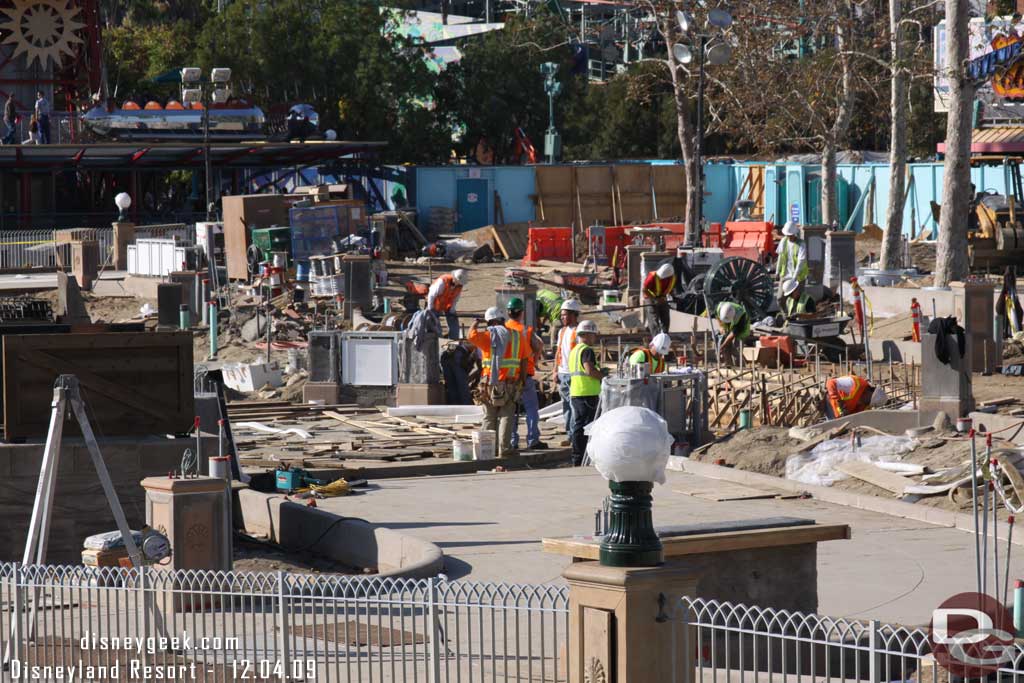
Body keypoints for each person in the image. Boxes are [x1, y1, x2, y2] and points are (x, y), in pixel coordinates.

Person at [468, 307, 527, 457]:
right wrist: (522, 380)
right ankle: (504, 450)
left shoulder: (489, 336)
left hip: (490, 383)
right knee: (506, 415)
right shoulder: (518, 336)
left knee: (489, 416)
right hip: (511, 383)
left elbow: (471, 336)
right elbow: (525, 359)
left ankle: (488, 450)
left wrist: (476, 323)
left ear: (492, 322)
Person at [505, 297, 546, 450]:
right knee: (531, 409)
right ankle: (533, 439)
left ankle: (512, 441)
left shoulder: (504, 328)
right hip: (526, 376)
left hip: (508, 377)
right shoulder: (525, 330)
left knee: (510, 410)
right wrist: (533, 361)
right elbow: (539, 345)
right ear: (521, 312)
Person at [569, 319, 603, 466]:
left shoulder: (575, 350)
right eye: (593, 335)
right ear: (588, 334)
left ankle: (577, 456)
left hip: (577, 392)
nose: (594, 338)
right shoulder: (587, 350)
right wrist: (604, 376)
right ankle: (582, 457)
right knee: (586, 427)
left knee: (578, 425)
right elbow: (589, 370)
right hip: (587, 393)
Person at [553, 299, 581, 436]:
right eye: (562, 315)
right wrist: (555, 371)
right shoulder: (562, 331)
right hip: (562, 373)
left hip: (574, 374)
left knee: (574, 406)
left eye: (566, 315)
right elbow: (558, 352)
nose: (563, 317)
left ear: (574, 314)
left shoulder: (579, 332)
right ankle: (569, 434)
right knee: (566, 406)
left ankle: (574, 435)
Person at [427, 269, 467, 339]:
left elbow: (455, 299)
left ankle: (453, 339)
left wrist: (452, 310)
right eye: (459, 282)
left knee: (453, 319)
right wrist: (430, 309)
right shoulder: (442, 281)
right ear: (454, 278)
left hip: (448, 305)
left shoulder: (459, 286)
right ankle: (439, 339)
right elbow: (431, 295)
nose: (460, 284)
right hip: (435, 304)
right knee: (435, 324)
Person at [440, 340, 480, 405]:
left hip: (448, 362)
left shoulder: (457, 347)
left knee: (453, 385)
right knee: (461, 385)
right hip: (451, 362)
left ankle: (456, 403)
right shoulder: (465, 350)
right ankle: (465, 403)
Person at [776, 221, 808, 299]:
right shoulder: (784, 241)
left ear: (794, 234)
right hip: (785, 274)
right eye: (787, 235)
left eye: (790, 235)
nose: (789, 237)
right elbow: (780, 257)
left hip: (798, 277)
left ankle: (797, 311)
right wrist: (777, 271)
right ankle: (785, 311)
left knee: (798, 299)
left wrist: (794, 277)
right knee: (780, 298)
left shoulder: (801, 244)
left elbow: (801, 262)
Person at [643, 262, 676, 334]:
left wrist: (673, 297)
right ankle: (656, 338)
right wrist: (655, 299)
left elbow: (670, 288)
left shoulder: (671, 277)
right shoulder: (652, 276)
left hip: (662, 297)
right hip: (650, 297)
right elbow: (644, 290)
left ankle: (664, 336)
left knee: (665, 317)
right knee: (654, 318)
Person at [716, 301, 750, 366]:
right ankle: (729, 366)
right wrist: (722, 328)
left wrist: (722, 346)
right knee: (726, 348)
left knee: (736, 350)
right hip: (730, 326)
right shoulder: (719, 307)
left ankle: (740, 368)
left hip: (742, 330)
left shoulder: (740, 317)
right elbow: (717, 316)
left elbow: (732, 335)